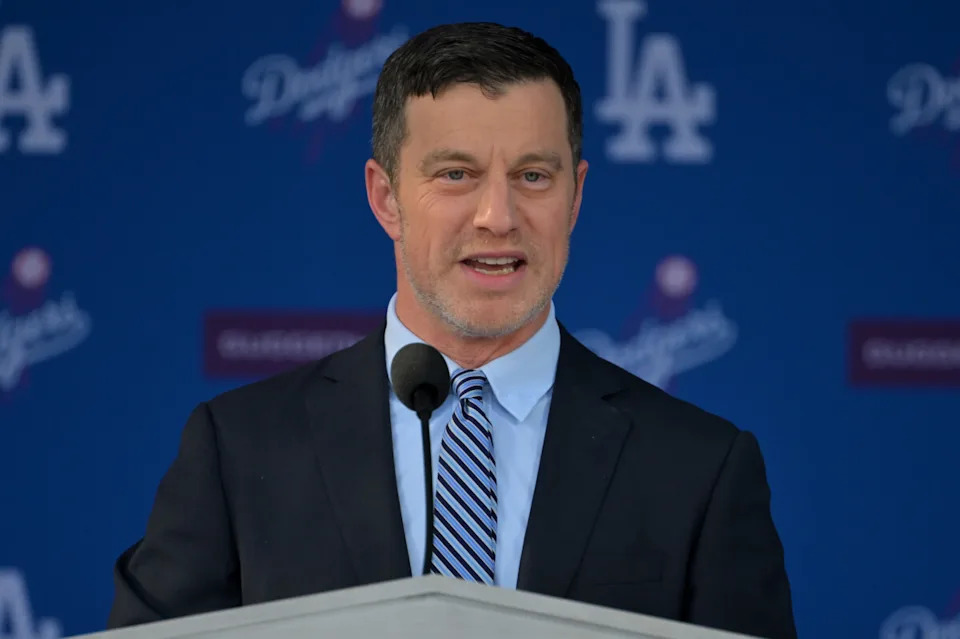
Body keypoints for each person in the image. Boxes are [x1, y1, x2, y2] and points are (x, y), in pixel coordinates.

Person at [108, 22, 797, 639]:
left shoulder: (700, 469)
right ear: (386, 198)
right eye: (457, 174)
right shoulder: (237, 449)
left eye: (533, 175)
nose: (498, 216)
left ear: (576, 196)